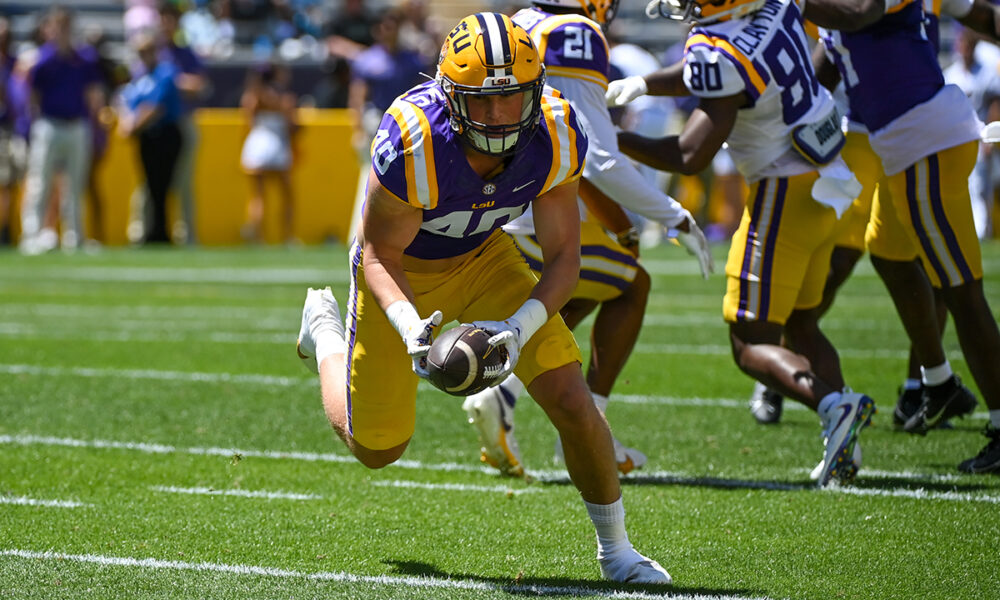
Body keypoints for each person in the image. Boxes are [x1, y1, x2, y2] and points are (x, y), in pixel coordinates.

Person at [294, 12, 672, 584]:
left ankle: (617, 549)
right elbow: (377, 255)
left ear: (537, 89)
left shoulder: (556, 129)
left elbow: (565, 256)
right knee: (377, 450)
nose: (498, 116)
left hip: (484, 258)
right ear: (449, 97)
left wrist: (520, 325)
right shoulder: (413, 139)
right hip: (403, 271)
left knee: (572, 397)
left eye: (512, 98)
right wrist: (407, 325)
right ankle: (325, 331)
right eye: (481, 101)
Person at [610, 0, 876, 486]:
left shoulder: (721, 53)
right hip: (827, 179)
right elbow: (721, 68)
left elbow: (691, 153)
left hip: (782, 190)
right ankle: (845, 448)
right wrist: (648, 83)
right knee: (801, 324)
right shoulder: (775, 5)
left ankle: (836, 406)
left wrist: (613, 140)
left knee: (750, 341)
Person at [460, 0, 714, 479]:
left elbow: (574, 157)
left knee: (579, 291)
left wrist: (620, 225)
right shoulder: (574, 31)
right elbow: (597, 158)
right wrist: (675, 217)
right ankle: (586, 425)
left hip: (494, 213)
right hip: (533, 223)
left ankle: (504, 390)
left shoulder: (520, 24)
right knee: (631, 283)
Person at [802, 0, 1000, 473]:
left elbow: (860, 14)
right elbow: (825, 70)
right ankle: (938, 382)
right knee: (888, 254)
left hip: (926, 140)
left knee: (961, 288)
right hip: (901, 146)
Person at [19, 6, 102, 254]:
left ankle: (74, 237)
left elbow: (93, 95)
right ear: (49, 28)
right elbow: (32, 98)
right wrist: (31, 128)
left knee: (75, 185)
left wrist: (96, 127)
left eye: (65, 25)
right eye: (57, 25)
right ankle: (31, 235)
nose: (62, 30)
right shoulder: (41, 61)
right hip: (49, 124)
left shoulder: (84, 59)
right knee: (40, 183)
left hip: (77, 124)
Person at [345, 7, 428, 243]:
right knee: (371, 178)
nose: (389, 29)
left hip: (406, 125)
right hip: (376, 123)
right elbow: (357, 97)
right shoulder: (367, 59)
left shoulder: (412, 60)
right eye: (386, 24)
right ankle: (361, 234)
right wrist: (358, 129)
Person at [119, 31, 183, 244]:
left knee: (165, 185)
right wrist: (128, 121)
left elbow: (155, 107)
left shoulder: (165, 72)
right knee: (150, 185)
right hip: (146, 137)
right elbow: (127, 102)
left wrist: (131, 126)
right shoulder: (139, 76)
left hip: (166, 134)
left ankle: (163, 232)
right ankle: (155, 231)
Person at [158, 1, 208, 244]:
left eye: (171, 19)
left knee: (185, 182)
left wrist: (170, 82)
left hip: (182, 120)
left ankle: (188, 236)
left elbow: (199, 85)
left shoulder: (184, 53)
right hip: (155, 123)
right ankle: (144, 232)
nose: (167, 24)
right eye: (164, 18)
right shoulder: (152, 52)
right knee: (150, 183)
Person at [239, 62, 298, 243]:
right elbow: (292, 125)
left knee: (258, 196)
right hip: (277, 144)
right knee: (287, 195)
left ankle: (258, 238)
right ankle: (287, 237)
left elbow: (247, 119)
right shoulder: (284, 97)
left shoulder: (253, 96)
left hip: (257, 144)